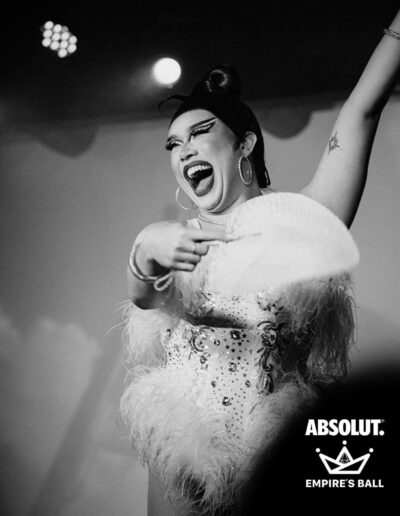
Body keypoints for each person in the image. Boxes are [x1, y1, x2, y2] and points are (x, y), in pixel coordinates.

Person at [120, 10, 400, 516]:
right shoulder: (177, 246)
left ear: (244, 143)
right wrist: (147, 247)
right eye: (173, 144)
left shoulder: (301, 224)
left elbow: (361, 110)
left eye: (199, 133)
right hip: (186, 474)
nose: (183, 151)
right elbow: (146, 294)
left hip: (274, 466)